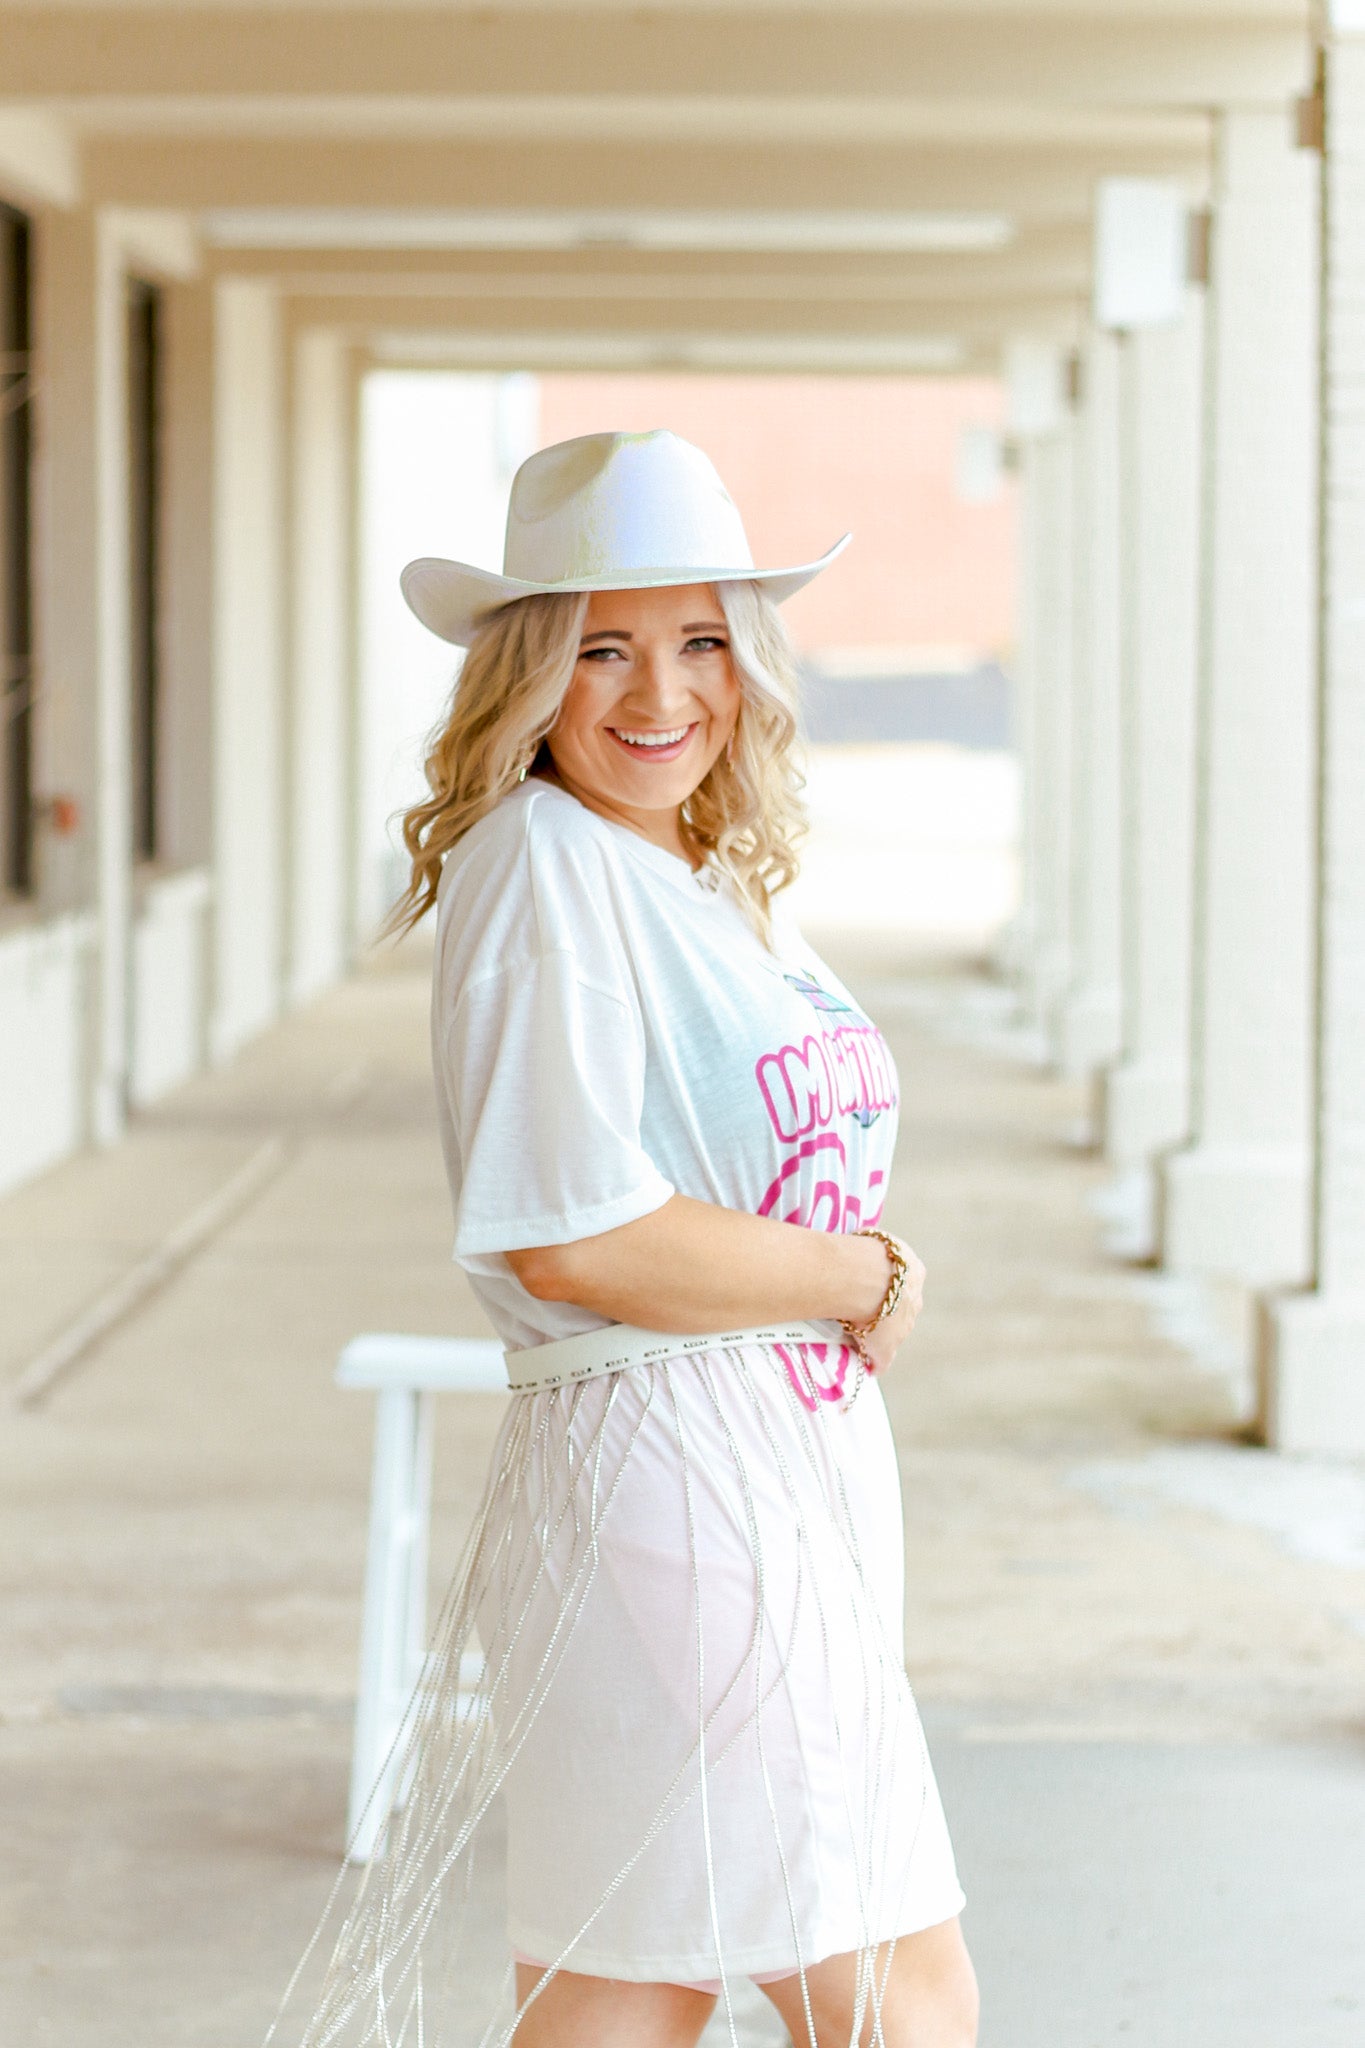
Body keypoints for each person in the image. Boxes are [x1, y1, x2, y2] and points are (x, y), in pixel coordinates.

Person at [286, 430, 978, 2048]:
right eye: (601, 645)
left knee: (630, 1979)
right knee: (897, 1982)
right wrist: (858, 1275)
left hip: (762, 1467)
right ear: (528, 672)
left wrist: (845, 1279)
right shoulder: (541, 860)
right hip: (677, 1473)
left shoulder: (696, 871)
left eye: (699, 643)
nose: (656, 693)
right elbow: (567, 1232)